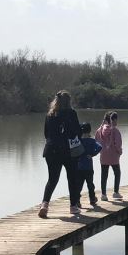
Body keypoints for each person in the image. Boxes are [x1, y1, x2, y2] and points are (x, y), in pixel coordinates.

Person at [39, 90, 82, 218]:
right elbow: (77, 133)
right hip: (67, 150)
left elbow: (46, 134)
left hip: (51, 150)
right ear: (69, 102)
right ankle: (73, 207)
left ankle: (44, 205)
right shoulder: (71, 113)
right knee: (72, 178)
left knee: (52, 179)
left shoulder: (50, 114)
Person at [95, 111, 123, 201]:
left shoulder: (99, 130)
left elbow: (96, 142)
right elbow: (117, 144)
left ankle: (103, 195)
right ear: (113, 119)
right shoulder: (115, 130)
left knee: (104, 175)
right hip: (114, 156)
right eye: (116, 119)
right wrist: (120, 152)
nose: (117, 122)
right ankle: (116, 192)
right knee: (117, 173)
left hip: (103, 156)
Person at [77, 122, 102, 208]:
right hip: (88, 168)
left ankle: (77, 201)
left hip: (79, 167)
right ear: (90, 131)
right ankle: (92, 199)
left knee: (79, 185)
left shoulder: (78, 141)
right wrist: (92, 154)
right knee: (90, 184)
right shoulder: (92, 141)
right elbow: (100, 147)